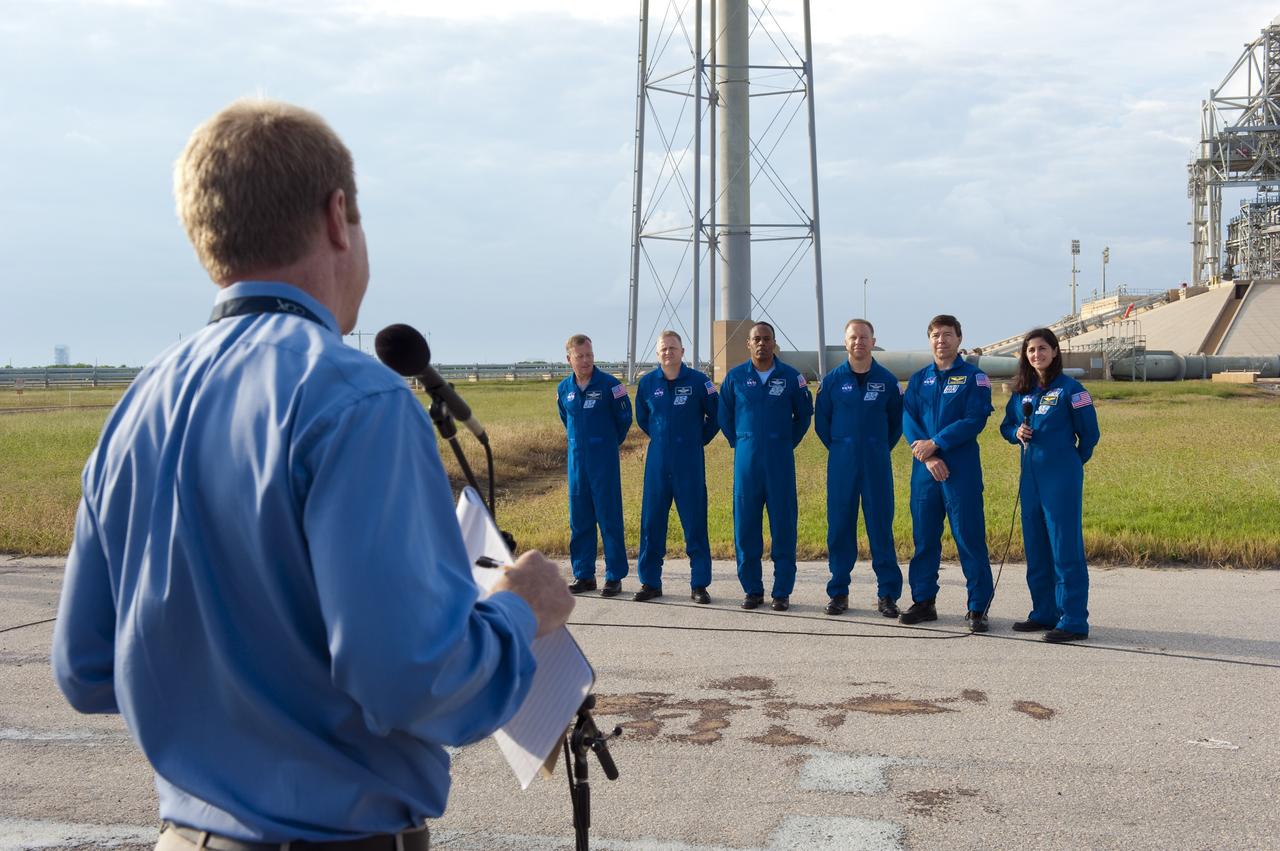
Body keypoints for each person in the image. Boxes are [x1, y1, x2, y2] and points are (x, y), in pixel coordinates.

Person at [50, 99, 574, 850]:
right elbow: (413, 680)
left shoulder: (140, 403)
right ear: (337, 218)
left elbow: (86, 665)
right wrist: (521, 612)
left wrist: (235, 685)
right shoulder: (358, 399)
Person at [999, 328, 1100, 643]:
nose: (1036, 355)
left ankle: (1072, 620)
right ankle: (1044, 612)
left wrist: (1069, 464)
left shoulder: (1072, 390)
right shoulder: (1022, 392)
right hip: (1030, 479)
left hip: (1061, 479)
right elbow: (1005, 426)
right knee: (1037, 546)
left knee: (1063, 546)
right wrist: (1017, 431)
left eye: (1042, 349)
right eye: (1030, 350)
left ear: (1055, 352)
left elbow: (1090, 435)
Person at [900, 314, 995, 632]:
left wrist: (937, 443)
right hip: (925, 470)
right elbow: (908, 419)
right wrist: (926, 456)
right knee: (924, 539)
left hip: (961, 469)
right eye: (936, 335)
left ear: (959, 339)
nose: (942, 340)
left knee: (968, 536)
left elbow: (975, 419)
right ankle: (924, 601)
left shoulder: (974, 378)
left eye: (948, 334)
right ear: (930, 340)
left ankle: (978, 607)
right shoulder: (918, 380)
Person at [718, 321, 813, 611]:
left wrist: (784, 442)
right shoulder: (735, 378)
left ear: (774, 342)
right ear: (748, 344)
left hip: (780, 459)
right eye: (756, 339)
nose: (761, 343)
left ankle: (782, 591)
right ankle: (752, 590)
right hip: (747, 460)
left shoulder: (792, 378)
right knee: (746, 526)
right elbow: (725, 418)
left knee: (783, 525)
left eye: (766, 338)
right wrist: (743, 442)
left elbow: (804, 416)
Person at [814, 319, 904, 617]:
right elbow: (822, 423)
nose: (858, 342)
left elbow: (895, 424)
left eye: (864, 337)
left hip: (876, 462)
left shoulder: (887, 381)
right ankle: (838, 592)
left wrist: (876, 447)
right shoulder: (832, 381)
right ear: (846, 341)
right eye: (853, 337)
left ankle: (888, 594)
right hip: (842, 463)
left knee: (880, 527)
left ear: (873, 340)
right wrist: (843, 446)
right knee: (840, 528)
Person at [633, 330, 720, 604]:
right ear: (657, 353)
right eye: (663, 349)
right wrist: (663, 439)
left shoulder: (699, 382)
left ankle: (699, 584)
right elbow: (643, 418)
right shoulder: (647, 384)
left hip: (689, 462)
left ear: (683, 351)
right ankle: (650, 582)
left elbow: (716, 416)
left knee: (695, 522)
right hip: (658, 462)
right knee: (652, 523)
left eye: (673, 347)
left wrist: (696, 440)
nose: (668, 352)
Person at [557, 334, 633, 596]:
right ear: (569, 359)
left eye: (589, 355)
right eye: (580, 356)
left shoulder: (612, 386)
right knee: (580, 521)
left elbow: (624, 419)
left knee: (609, 519)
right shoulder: (563, 389)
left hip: (604, 464)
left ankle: (614, 576)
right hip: (577, 465)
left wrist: (607, 443)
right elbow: (566, 420)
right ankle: (584, 575)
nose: (586, 360)